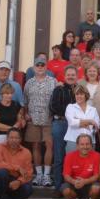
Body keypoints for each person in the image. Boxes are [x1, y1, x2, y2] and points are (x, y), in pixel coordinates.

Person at [24, 57, 57, 187]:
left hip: (48, 118)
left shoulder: (53, 81)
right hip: (33, 119)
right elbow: (25, 101)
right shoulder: (29, 83)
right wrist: (26, 113)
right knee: (36, 146)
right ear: (34, 67)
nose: (40, 67)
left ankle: (47, 175)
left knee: (49, 145)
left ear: (46, 67)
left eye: (42, 65)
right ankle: (38, 174)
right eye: (38, 65)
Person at [49, 66, 77, 195]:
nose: (71, 77)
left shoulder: (80, 91)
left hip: (75, 126)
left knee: (72, 156)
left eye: (73, 75)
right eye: (68, 75)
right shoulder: (58, 89)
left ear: (76, 76)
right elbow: (54, 106)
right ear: (64, 77)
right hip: (60, 123)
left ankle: (71, 187)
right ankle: (58, 187)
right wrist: (70, 113)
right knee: (59, 156)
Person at [0, 128, 33, 199]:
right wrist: (17, 167)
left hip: (16, 180)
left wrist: (19, 182)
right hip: (2, 180)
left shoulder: (26, 152)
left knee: (28, 189)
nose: (13, 140)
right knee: (1, 173)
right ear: (7, 138)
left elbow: (28, 173)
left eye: (16, 138)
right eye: (11, 137)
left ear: (20, 139)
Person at [61, 134, 100, 199]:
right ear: (77, 146)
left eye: (87, 144)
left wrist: (85, 181)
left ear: (91, 145)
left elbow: (97, 175)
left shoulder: (97, 155)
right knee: (66, 190)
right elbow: (66, 176)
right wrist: (74, 182)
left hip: (89, 184)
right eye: (82, 144)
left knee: (96, 188)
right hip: (74, 184)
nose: (85, 147)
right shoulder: (69, 156)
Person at [64, 84, 100, 152]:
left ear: (86, 95)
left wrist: (79, 122)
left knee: (89, 163)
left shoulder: (93, 109)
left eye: (81, 94)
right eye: (77, 94)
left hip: (89, 143)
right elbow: (72, 122)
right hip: (73, 141)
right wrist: (90, 121)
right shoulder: (70, 107)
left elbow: (96, 126)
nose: (79, 96)